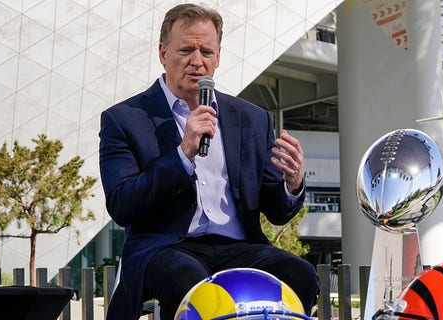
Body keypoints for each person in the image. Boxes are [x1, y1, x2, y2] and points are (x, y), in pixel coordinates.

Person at [98, 3, 319, 319]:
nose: (197, 61)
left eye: (206, 52)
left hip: (239, 246)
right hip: (167, 249)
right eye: (186, 50)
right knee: (192, 284)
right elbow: (122, 205)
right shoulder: (125, 120)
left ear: (218, 57)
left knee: (299, 273)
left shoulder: (251, 119)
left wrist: (292, 184)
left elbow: (277, 210)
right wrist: (182, 154)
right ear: (163, 53)